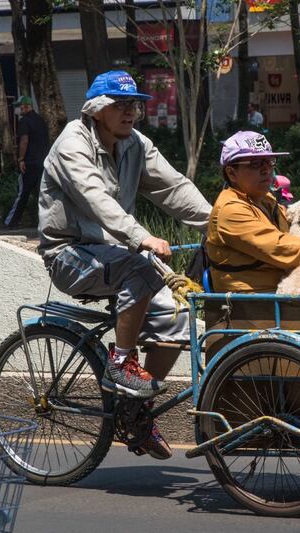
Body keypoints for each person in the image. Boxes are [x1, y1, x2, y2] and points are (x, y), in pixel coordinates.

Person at [37, 70, 212, 460]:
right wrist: (141, 237)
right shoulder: (72, 145)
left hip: (119, 253)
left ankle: (135, 414)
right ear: (97, 110)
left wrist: (221, 224)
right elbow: (97, 199)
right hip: (69, 255)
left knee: (180, 320)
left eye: (135, 104)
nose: (130, 112)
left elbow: (175, 188)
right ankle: (120, 363)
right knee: (140, 269)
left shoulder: (135, 144)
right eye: (121, 105)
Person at [205, 131, 300, 294]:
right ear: (232, 173)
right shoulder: (231, 209)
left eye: (269, 161)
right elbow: (280, 247)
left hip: (282, 295)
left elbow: (295, 235)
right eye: (255, 163)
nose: (267, 169)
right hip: (252, 305)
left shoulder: (266, 200)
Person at [4, 96, 49, 228]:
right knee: (42, 194)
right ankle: (44, 222)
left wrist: (21, 159)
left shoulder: (24, 121)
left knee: (22, 193)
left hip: (29, 162)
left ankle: (11, 222)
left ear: (26, 106)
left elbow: (24, 140)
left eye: (19, 106)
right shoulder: (41, 121)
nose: (18, 109)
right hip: (43, 162)